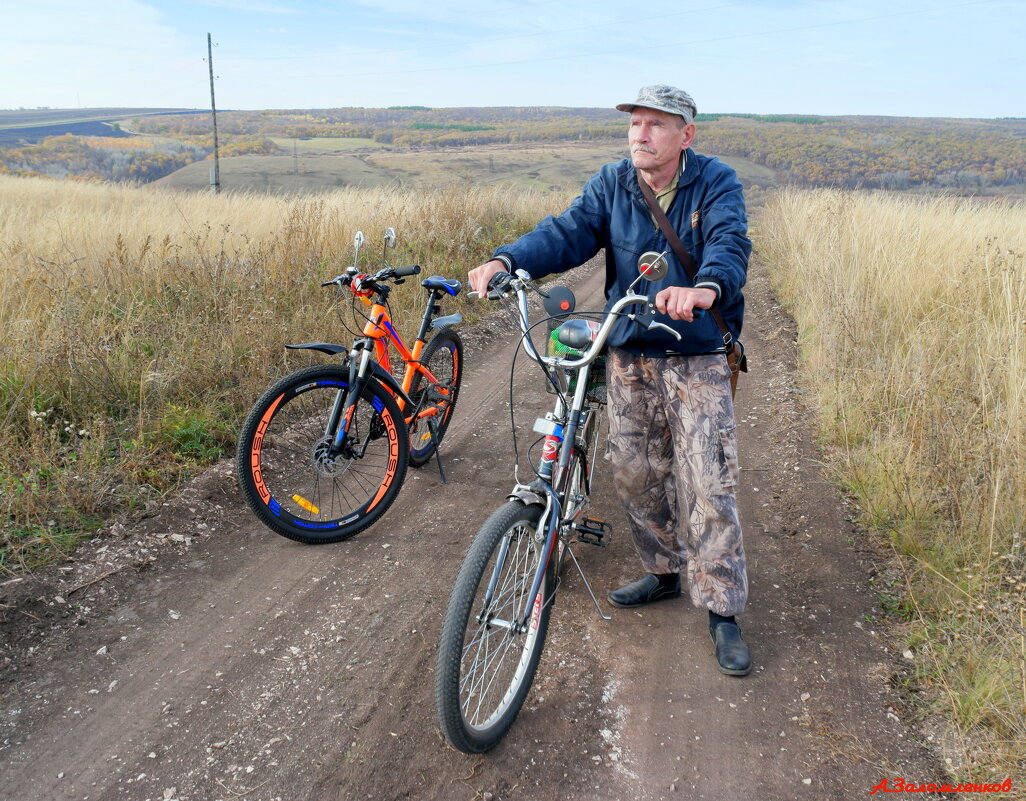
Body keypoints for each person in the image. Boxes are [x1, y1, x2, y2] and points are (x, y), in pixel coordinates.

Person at [467, 85, 752, 676]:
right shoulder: (613, 183)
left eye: (654, 125)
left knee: (708, 477)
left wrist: (704, 289)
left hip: (694, 350)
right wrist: (507, 261)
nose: (640, 135)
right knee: (634, 470)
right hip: (628, 349)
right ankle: (665, 572)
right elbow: (566, 231)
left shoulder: (715, 182)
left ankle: (722, 611)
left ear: (685, 136)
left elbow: (729, 243)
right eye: (634, 125)